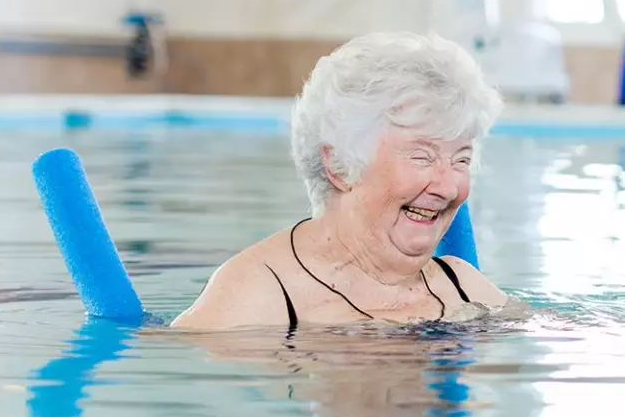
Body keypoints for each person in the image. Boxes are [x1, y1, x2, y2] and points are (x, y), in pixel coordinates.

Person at [174, 32, 508, 330]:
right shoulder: (254, 297)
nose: (448, 188)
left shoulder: (463, 287)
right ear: (339, 165)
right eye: (422, 157)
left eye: (460, 160)